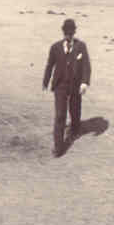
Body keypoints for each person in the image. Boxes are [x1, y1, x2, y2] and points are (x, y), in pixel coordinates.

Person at [42, 17, 92, 156]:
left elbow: (86, 66)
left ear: (74, 33)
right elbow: (50, 65)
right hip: (60, 85)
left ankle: (75, 128)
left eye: (71, 33)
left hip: (75, 84)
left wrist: (84, 82)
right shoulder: (55, 47)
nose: (69, 36)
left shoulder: (81, 46)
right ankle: (58, 147)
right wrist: (46, 81)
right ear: (63, 33)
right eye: (67, 33)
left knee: (75, 109)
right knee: (60, 115)